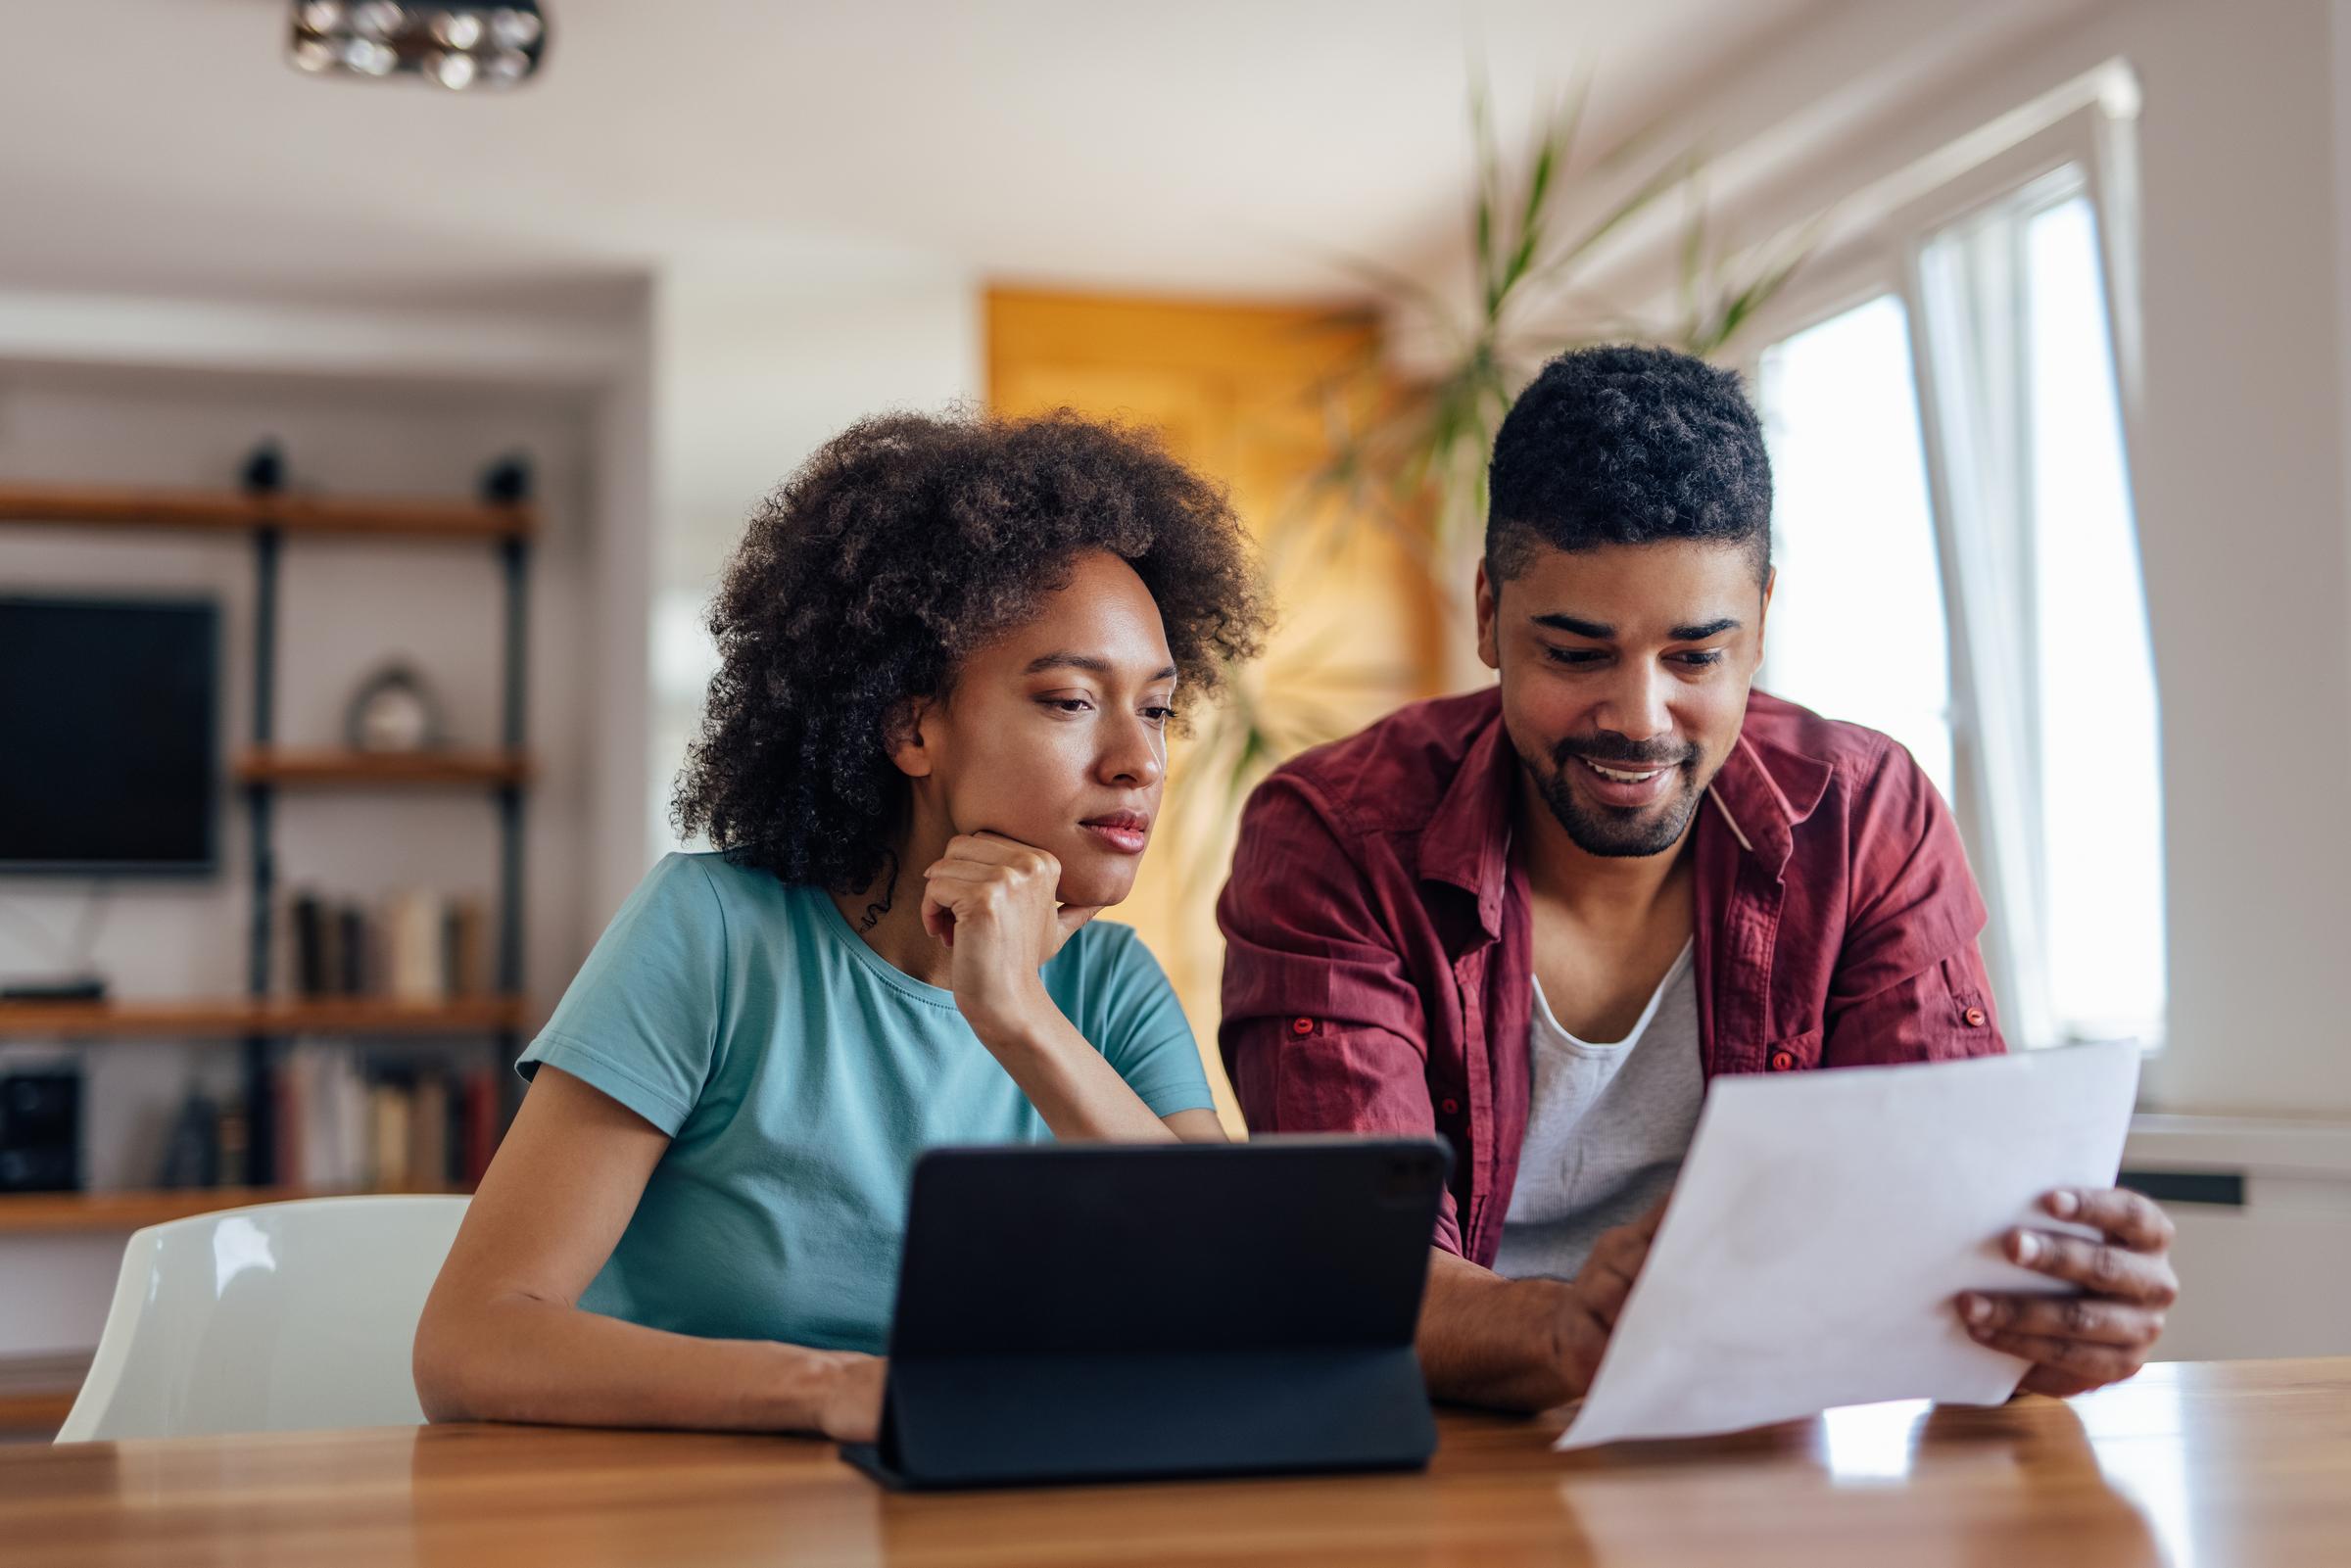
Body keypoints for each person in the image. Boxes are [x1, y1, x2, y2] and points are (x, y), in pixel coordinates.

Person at [1218, 344, 2177, 1412]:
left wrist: (2045, 1324)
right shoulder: (1337, 836)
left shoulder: (1863, 818)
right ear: (1488, 614)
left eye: (1695, 656)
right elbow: (1361, 1271)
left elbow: (1939, 1250)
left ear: (1761, 619)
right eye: (1577, 654)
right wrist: (1571, 1327)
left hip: (1758, 1450)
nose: (1638, 718)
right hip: (1455, 1452)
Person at [416, 409, 1266, 1442]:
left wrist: (1017, 1016)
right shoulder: (715, 934)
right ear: (913, 726)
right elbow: (473, 1340)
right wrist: (836, 1390)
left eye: (1160, 709)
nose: (1139, 759)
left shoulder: (1111, 987)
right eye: (1070, 700)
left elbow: (1243, 1294)